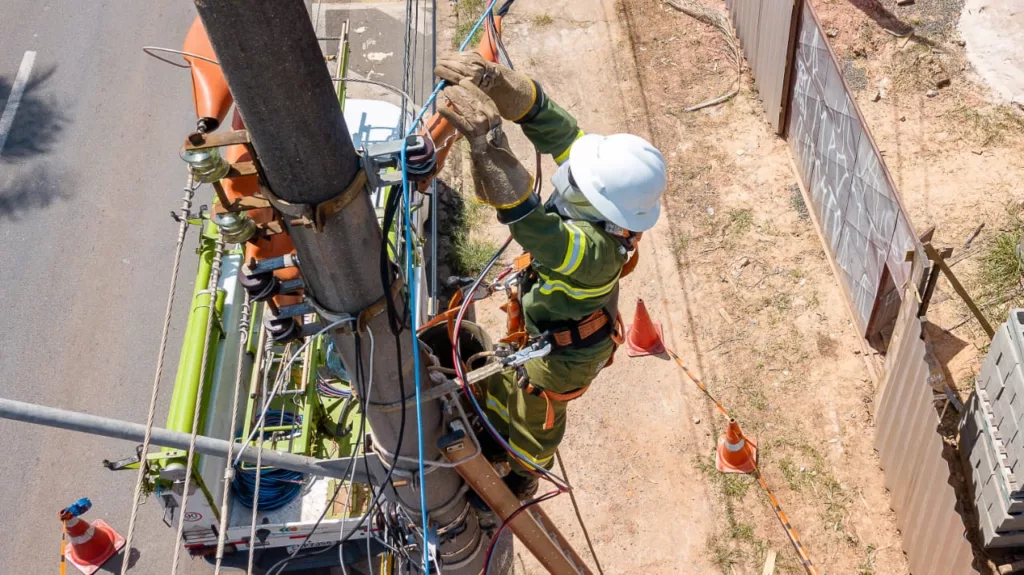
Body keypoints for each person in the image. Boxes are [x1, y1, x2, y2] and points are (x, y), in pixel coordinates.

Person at [435, 53, 667, 499]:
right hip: (557, 324)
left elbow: (530, 223)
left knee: (535, 406)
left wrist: (487, 145)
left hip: (566, 354)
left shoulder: (595, 252)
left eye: (576, 180)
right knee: (516, 380)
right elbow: (553, 124)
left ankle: (524, 472)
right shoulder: (603, 196)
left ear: (602, 205)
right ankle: (504, 419)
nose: (567, 177)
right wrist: (496, 82)